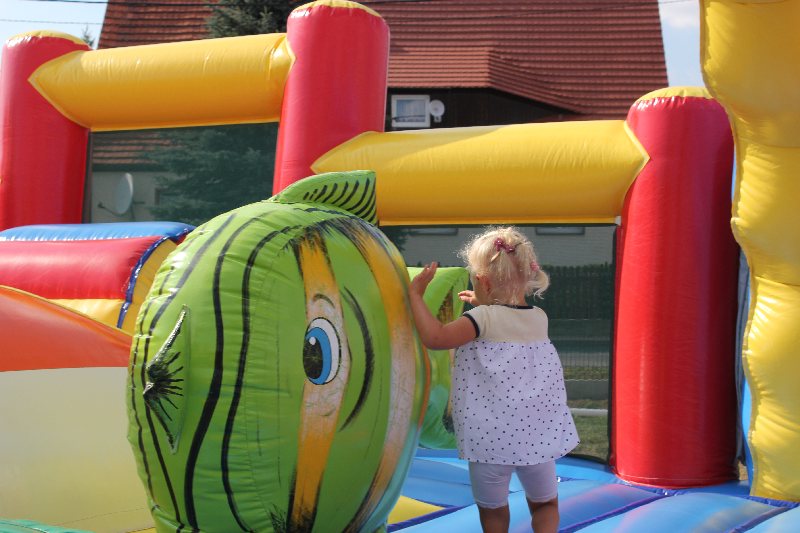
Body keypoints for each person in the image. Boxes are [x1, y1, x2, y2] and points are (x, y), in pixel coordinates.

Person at [408, 226, 579, 533]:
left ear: (483, 281)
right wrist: (483, 304)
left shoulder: (481, 319)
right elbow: (507, 324)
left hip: (490, 442)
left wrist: (415, 297)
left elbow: (435, 337)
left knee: (494, 512)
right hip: (536, 438)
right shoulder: (539, 317)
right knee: (545, 505)